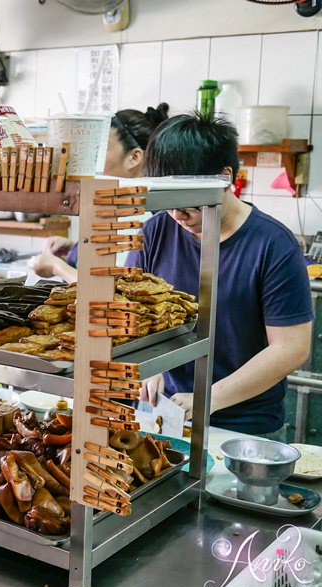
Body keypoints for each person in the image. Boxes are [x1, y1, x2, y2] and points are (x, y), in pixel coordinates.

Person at [128, 112, 313, 439]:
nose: (178, 215)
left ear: (225, 177)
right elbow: (133, 313)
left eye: (190, 201)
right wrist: (146, 366)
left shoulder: (273, 245)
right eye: (170, 201)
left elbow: (291, 348)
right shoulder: (156, 232)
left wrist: (209, 398)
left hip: (246, 429)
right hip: (167, 412)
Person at [29, 103, 170, 282]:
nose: (91, 157)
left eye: (100, 148)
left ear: (134, 158)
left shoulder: (139, 215)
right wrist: (75, 249)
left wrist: (56, 266)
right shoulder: (117, 204)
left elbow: (110, 288)